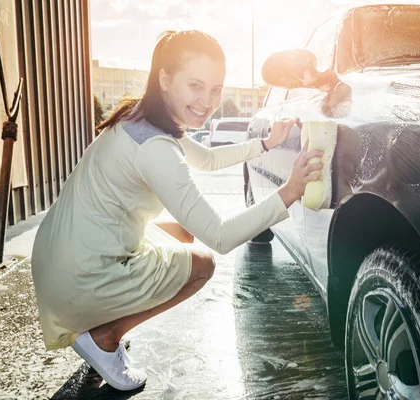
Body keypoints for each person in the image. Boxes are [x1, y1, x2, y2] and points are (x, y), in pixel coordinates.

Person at [30, 30, 323, 391]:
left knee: (183, 234)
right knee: (203, 263)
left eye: (216, 89)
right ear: (165, 79)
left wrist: (265, 143)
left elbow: (208, 159)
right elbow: (221, 236)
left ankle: (100, 319)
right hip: (78, 274)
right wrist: (291, 189)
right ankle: (104, 335)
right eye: (196, 85)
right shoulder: (156, 147)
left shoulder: (142, 116)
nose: (208, 101)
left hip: (57, 254)